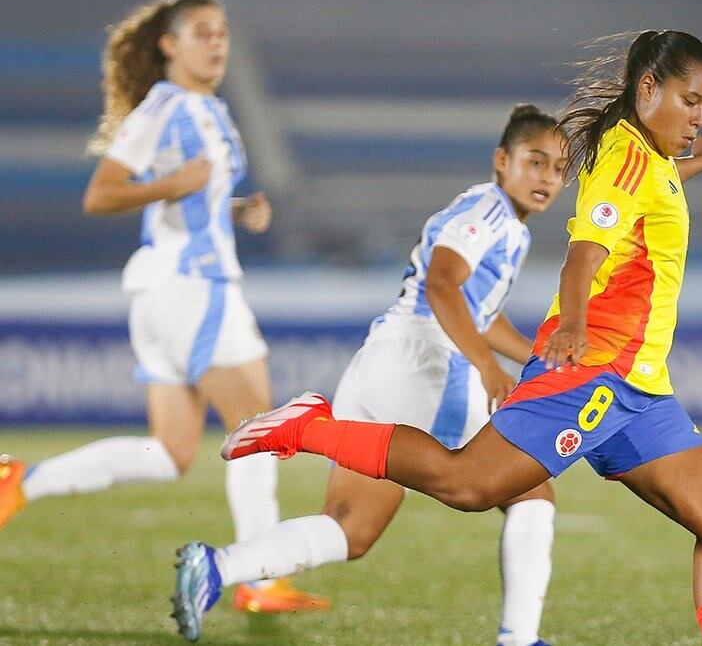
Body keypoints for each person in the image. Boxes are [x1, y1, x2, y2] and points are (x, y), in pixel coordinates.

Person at [212, 30, 702, 646]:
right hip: (596, 372)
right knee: (468, 484)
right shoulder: (627, 160)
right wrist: (573, 324)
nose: (698, 117)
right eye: (690, 102)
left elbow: (647, 194)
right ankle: (307, 427)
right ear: (649, 88)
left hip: (640, 389)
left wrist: (700, 159)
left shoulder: (646, 159)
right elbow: (583, 254)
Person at [169, 104, 567, 644]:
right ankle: (519, 638)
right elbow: (443, 288)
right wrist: (486, 367)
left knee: (351, 528)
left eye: (558, 167)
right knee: (530, 491)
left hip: (381, 360)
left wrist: (532, 357)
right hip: (427, 363)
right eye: (535, 161)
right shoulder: (489, 211)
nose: (547, 177)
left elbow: (477, 306)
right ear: (502, 160)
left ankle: (216, 567)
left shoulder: (503, 225)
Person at [0, 0, 326, 613]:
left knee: (171, 453)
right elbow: (101, 194)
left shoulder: (209, 110)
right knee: (257, 430)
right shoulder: (165, 106)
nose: (217, 43)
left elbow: (190, 204)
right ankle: (258, 579)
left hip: (170, 293)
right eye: (202, 33)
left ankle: (21, 480)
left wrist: (233, 210)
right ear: (169, 45)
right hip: (194, 291)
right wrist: (174, 184)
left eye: (223, 32)